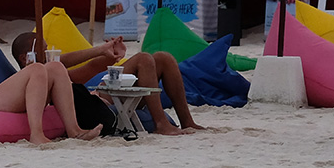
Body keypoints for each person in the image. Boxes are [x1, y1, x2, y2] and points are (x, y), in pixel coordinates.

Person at [12, 32, 204, 136]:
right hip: (96, 105)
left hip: (94, 96)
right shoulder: (35, 83)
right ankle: (161, 123)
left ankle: (187, 121)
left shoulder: (55, 72)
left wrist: (108, 52)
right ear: (25, 58)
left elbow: (90, 68)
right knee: (144, 59)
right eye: (44, 51)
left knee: (164, 58)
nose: (50, 55)